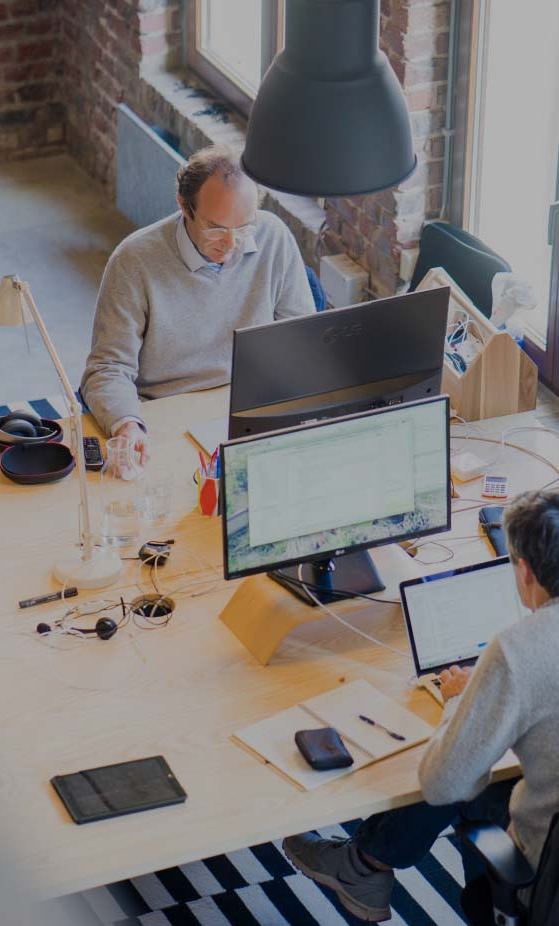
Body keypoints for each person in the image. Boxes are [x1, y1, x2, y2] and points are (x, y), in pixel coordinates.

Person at [283, 488, 559, 923]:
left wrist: (460, 702)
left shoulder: (520, 649)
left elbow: (443, 785)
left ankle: (363, 865)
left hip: (546, 878)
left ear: (525, 571)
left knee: (463, 764)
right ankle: (365, 864)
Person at [80, 145, 315, 465]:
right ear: (184, 207)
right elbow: (106, 369)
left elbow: (301, 341)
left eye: (244, 227)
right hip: (164, 414)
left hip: (249, 408)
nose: (231, 245)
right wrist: (127, 425)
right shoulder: (133, 261)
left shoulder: (273, 236)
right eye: (216, 227)